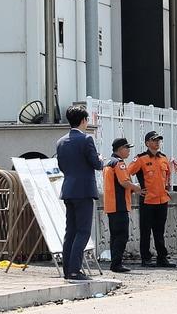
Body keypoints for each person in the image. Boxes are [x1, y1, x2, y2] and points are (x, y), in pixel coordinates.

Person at [55, 104, 103, 281]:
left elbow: (61, 166)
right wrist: (99, 160)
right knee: (83, 231)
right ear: (84, 120)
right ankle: (75, 270)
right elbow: (96, 164)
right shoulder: (86, 140)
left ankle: (68, 270)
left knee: (71, 231)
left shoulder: (61, 141)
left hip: (68, 188)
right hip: (84, 190)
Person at [129, 130, 176, 267]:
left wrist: (167, 188)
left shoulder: (163, 158)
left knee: (159, 230)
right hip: (147, 200)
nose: (157, 142)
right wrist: (135, 188)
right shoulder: (141, 159)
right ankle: (146, 258)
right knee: (145, 230)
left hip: (162, 200)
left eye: (158, 140)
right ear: (147, 143)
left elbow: (167, 177)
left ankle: (162, 257)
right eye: (154, 140)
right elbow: (126, 173)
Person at [102, 137, 141, 274]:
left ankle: (115, 262)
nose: (129, 151)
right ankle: (117, 264)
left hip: (111, 204)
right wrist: (136, 188)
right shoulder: (119, 163)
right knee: (122, 235)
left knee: (115, 235)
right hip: (120, 204)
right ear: (120, 149)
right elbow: (124, 182)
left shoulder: (108, 162)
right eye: (127, 148)